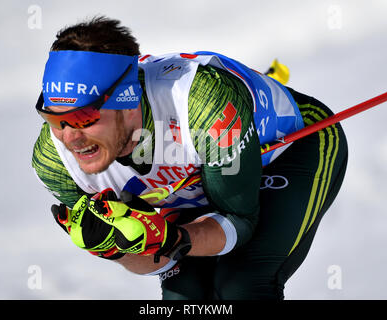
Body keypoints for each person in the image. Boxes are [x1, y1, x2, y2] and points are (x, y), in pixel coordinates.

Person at [32, 16, 348, 300]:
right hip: (199, 176)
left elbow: (240, 222)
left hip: (294, 145)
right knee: (184, 295)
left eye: (84, 117)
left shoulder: (202, 108)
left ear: (126, 104)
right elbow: (148, 259)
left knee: (242, 284)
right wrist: (119, 248)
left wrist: (173, 237)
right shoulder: (55, 163)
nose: (70, 138)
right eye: (54, 119)